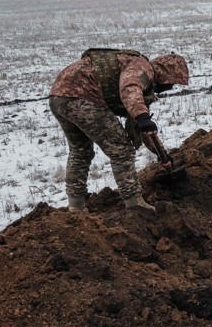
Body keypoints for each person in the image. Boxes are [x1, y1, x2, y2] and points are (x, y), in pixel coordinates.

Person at [49, 49, 189, 212]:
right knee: (121, 148)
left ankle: (76, 206)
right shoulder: (143, 67)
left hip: (58, 96)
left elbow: (143, 128)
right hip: (83, 95)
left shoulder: (138, 79)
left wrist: (162, 154)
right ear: (165, 73)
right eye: (171, 83)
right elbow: (129, 87)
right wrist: (143, 116)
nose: (169, 87)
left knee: (80, 151)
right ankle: (134, 203)